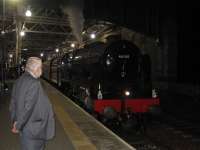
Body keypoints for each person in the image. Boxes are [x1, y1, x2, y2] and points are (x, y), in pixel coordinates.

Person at [9, 57, 55, 150]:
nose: (42, 70)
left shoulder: (19, 81)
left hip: (25, 129)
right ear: (35, 69)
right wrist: (18, 126)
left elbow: (13, 103)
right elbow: (28, 108)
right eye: (41, 68)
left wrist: (15, 121)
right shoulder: (34, 83)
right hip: (33, 131)